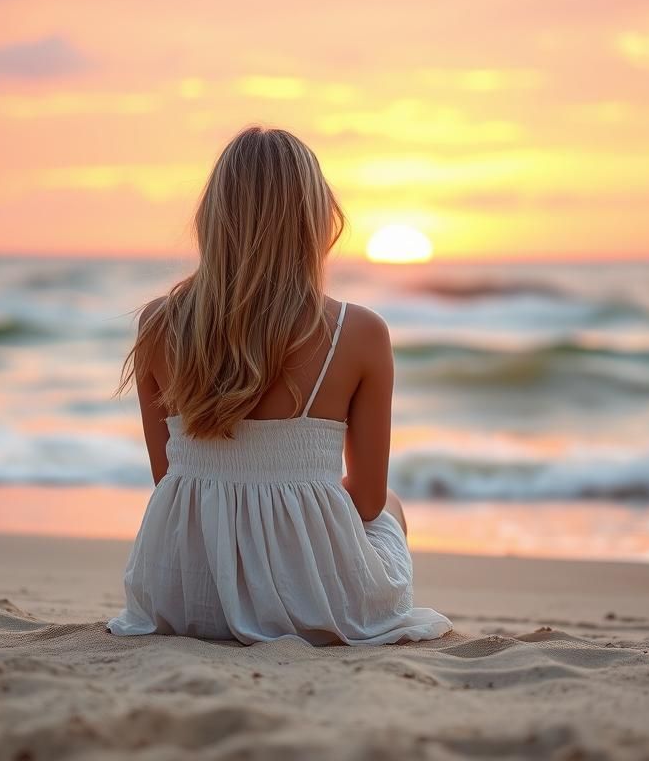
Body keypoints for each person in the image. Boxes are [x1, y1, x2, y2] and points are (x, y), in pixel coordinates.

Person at [106, 126, 453, 645]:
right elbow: (365, 502)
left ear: (213, 219)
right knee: (393, 506)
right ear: (316, 219)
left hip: (185, 594)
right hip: (319, 606)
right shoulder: (357, 332)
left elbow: (168, 481)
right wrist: (292, 511)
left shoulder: (159, 325)